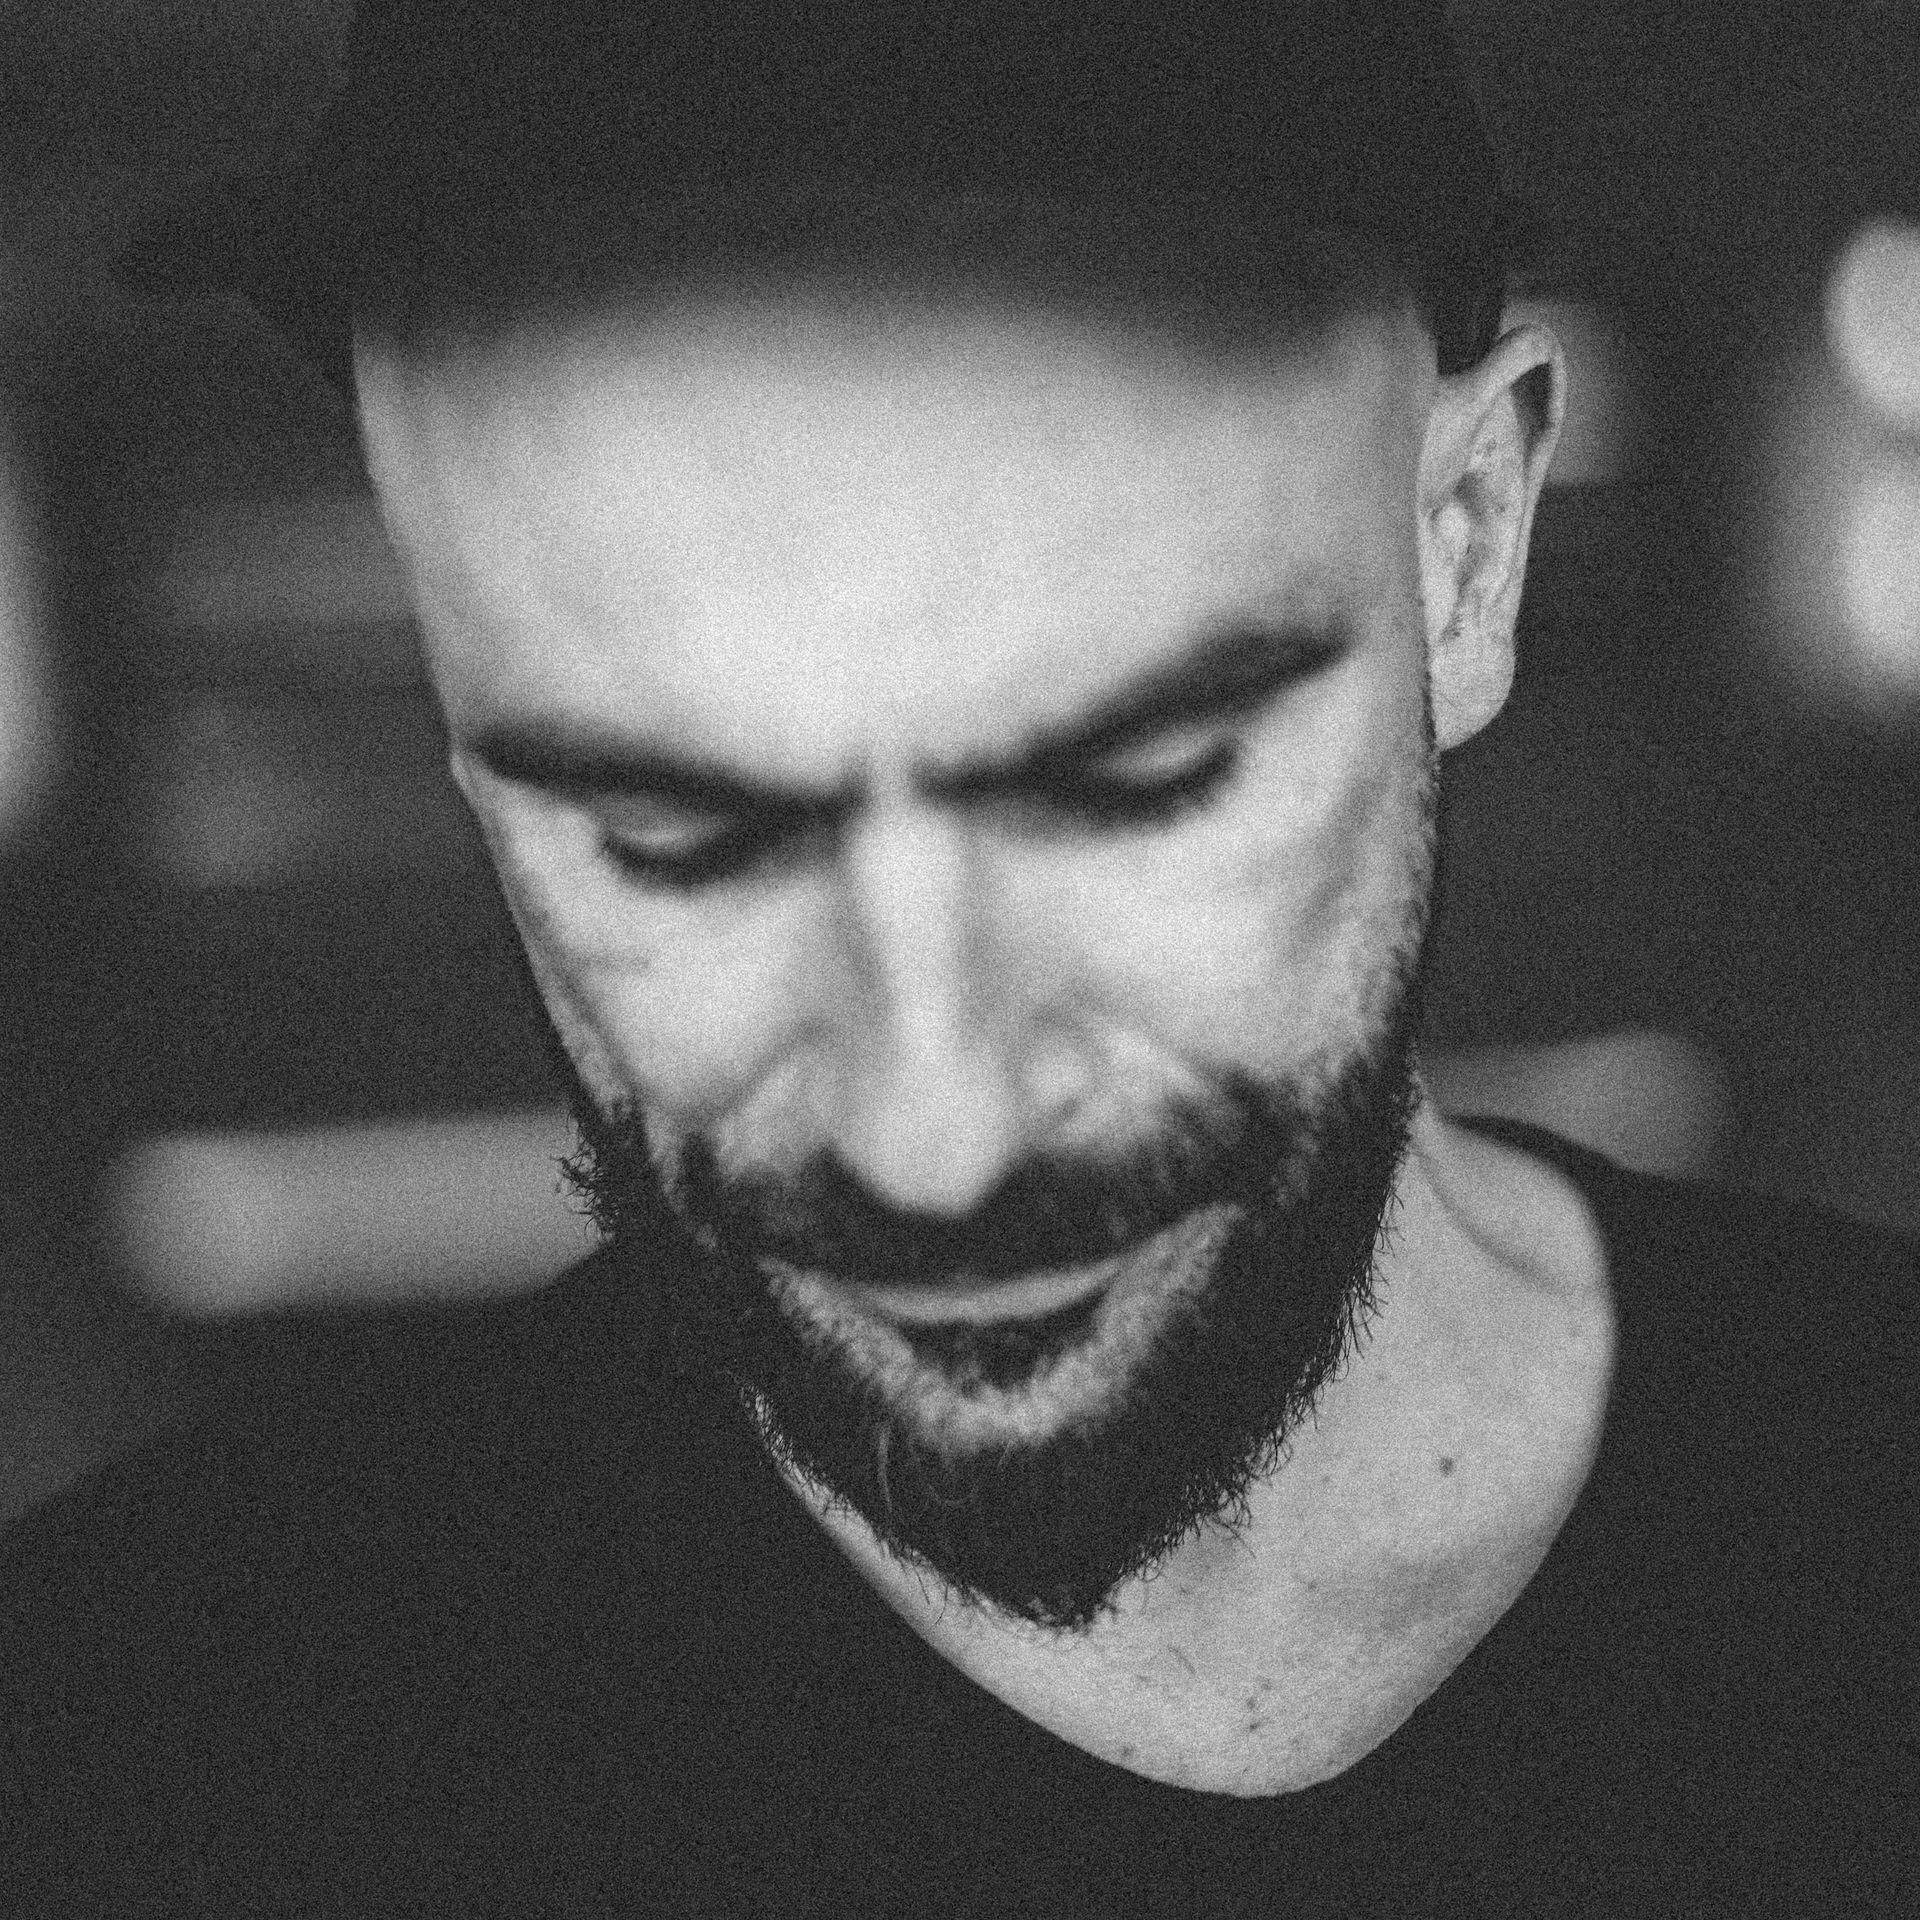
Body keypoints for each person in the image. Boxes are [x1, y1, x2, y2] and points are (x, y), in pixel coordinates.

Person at [3, 2, 1913, 1912]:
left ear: (1469, 550)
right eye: (672, 840)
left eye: (1141, 784)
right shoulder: (135, 1761)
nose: (936, 1140)